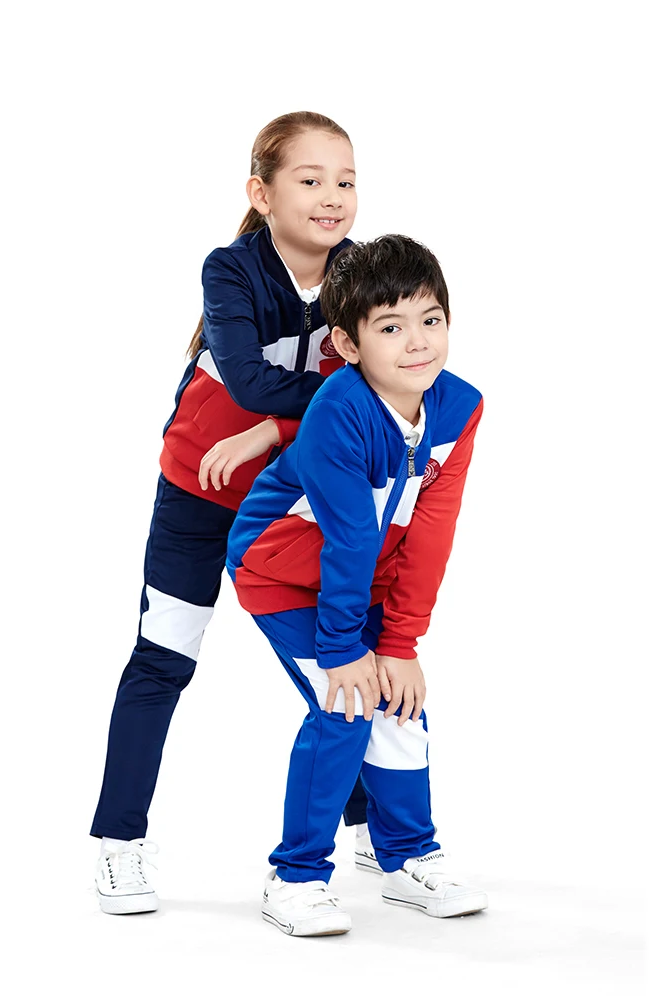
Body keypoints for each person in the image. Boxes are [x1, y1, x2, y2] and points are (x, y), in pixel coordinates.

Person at [90, 112, 377, 915]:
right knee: (163, 658)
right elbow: (252, 382)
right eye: (310, 180)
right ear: (262, 192)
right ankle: (118, 842)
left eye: (346, 180)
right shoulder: (230, 268)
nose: (332, 196)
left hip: (287, 499)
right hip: (196, 493)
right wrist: (313, 404)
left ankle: (371, 824)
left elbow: (386, 378)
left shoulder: (362, 270)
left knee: (336, 662)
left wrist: (274, 431)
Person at [226, 234, 489, 936]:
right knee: (344, 705)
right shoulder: (338, 412)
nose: (418, 342)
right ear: (348, 343)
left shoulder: (458, 408)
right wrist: (346, 649)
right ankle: (295, 877)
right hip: (278, 571)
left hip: (361, 579)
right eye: (391, 328)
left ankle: (407, 856)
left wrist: (400, 642)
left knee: (399, 704)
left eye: (431, 320)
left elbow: (430, 536)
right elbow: (348, 537)